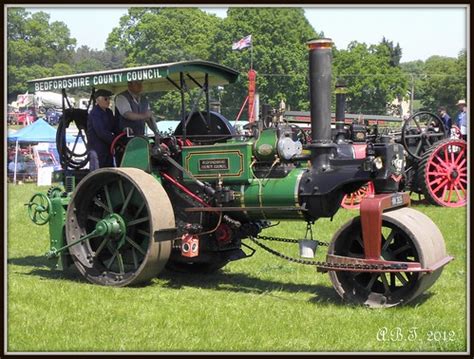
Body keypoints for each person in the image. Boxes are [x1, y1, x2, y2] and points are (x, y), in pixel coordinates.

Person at [87, 89, 119, 170]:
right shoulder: (95, 113)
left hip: (108, 149)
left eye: (109, 99)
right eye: (105, 99)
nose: (108, 101)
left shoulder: (109, 112)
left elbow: (114, 127)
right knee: (98, 174)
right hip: (97, 150)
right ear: (98, 100)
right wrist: (115, 141)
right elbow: (101, 132)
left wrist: (123, 132)